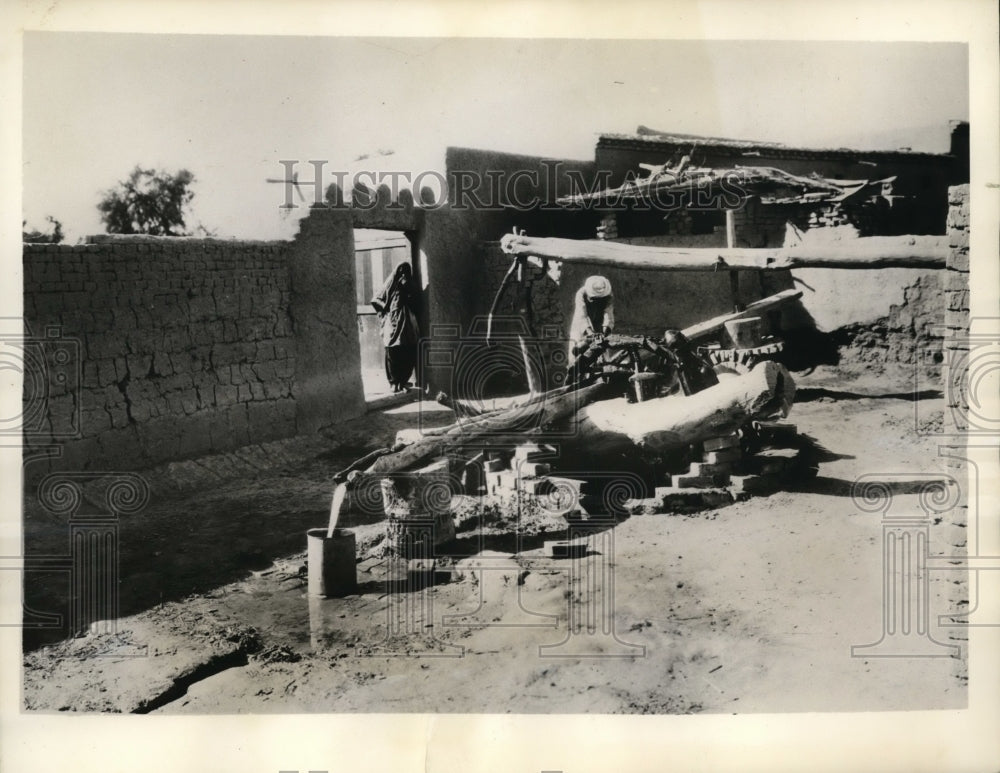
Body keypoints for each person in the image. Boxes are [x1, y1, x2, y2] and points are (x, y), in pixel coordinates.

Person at [371, 262, 419, 393]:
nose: (403, 275)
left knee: (408, 350)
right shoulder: (390, 285)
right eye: (401, 272)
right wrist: (385, 308)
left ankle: (402, 382)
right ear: (397, 273)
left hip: (408, 322)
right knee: (392, 351)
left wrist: (408, 289)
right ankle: (393, 382)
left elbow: (417, 301)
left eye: (406, 272)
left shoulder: (411, 285)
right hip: (392, 322)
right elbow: (375, 299)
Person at [567, 274, 615, 368]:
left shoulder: (609, 295)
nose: (594, 302)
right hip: (580, 325)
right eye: (592, 299)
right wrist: (590, 333)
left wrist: (605, 331)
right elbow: (582, 315)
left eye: (598, 300)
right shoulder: (581, 293)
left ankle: (602, 372)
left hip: (599, 323)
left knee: (601, 349)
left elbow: (608, 315)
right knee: (578, 351)